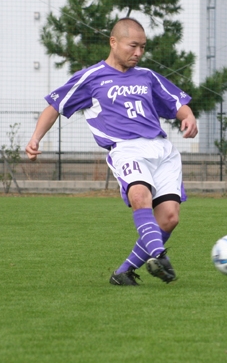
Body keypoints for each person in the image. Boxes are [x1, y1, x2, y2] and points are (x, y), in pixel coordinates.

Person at [25, 17, 198, 286]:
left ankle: (123, 273)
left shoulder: (148, 76)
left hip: (163, 151)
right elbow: (54, 107)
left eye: (143, 47)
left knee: (169, 218)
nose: (138, 53)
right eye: (133, 46)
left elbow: (177, 103)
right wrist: (36, 138)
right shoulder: (91, 77)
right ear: (113, 42)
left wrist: (188, 117)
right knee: (139, 194)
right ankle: (159, 255)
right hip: (126, 149)